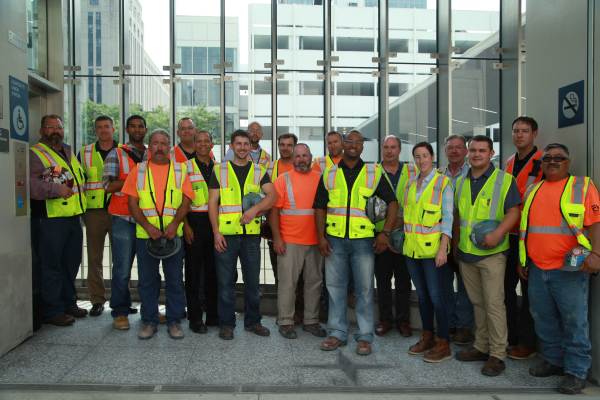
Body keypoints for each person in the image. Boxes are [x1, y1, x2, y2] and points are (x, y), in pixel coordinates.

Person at [519, 143, 600, 395]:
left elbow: (595, 222)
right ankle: (555, 360)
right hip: (537, 266)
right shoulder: (532, 190)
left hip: (571, 270)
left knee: (574, 321)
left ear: (568, 162)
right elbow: (527, 229)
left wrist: (596, 254)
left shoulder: (583, 187)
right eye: (548, 158)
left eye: (558, 158)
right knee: (543, 319)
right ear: (542, 164)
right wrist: (524, 260)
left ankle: (576, 371)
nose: (552, 162)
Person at [314, 130, 399, 356]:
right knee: (335, 288)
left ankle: (364, 336)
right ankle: (337, 333)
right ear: (343, 144)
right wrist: (321, 237)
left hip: (363, 241)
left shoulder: (374, 173)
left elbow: (392, 203)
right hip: (335, 240)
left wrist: (386, 233)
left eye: (358, 142)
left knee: (363, 290)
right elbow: (320, 206)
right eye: (349, 141)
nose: (353, 145)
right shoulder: (329, 174)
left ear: (363, 147)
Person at [452, 135, 521, 376]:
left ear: (491, 153)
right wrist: (454, 248)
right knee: (478, 302)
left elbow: (514, 211)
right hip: (467, 253)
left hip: (492, 253)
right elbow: (458, 217)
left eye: (482, 150)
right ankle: (481, 346)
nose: (476, 154)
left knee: (493, 303)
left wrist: (498, 234)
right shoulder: (460, 180)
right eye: (472, 150)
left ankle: (497, 354)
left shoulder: (504, 180)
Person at [122, 129, 194, 340]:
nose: (159, 147)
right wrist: (147, 227)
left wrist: (174, 224)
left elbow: (186, 201)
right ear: (149, 146)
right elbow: (132, 204)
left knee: (174, 280)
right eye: (155, 143)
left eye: (164, 143)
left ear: (170, 147)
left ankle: (174, 322)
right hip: (146, 236)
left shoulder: (180, 170)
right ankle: (150, 321)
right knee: (146, 281)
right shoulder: (139, 170)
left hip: (173, 236)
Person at [208, 130, 278, 340]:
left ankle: (253, 322)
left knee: (252, 282)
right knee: (226, 283)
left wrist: (254, 210)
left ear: (250, 146)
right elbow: (212, 203)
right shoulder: (219, 170)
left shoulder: (259, 170)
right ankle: (227, 324)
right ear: (231, 146)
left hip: (250, 236)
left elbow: (273, 195)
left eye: (246, 144)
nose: (242, 147)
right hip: (226, 236)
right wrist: (215, 232)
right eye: (238, 144)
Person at [391, 142, 453, 363]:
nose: (421, 160)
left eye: (425, 156)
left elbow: (448, 218)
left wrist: (443, 248)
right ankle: (427, 336)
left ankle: (443, 342)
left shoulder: (442, 183)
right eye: (417, 157)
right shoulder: (408, 185)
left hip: (433, 251)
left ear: (433, 157)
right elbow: (404, 214)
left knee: (437, 297)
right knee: (424, 296)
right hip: (412, 251)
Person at [30, 115, 88, 326]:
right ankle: (52, 311)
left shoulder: (68, 153)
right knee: (50, 266)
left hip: (73, 218)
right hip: (50, 220)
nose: (55, 131)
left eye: (59, 127)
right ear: (41, 131)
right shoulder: (36, 154)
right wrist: (56, 189)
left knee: (71, 264)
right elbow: (31, 185)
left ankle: (68, 303)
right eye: (50, 127)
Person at [270, 143, 326, 339]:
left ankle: (311, 320)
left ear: (311, 157)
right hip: (290, 241)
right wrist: (277, 238)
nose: (301, 159)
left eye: (305, 156)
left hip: (316, 241)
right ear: (292, 159)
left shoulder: (321, 179)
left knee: (314, 283)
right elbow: (274, 211)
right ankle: (285, 321)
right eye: (298, 156)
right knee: (287, 284)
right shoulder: (282, 180)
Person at [103, 115, 149, 330]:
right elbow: (109, 186)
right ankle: (119, 312)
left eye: (141, 126)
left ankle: (149, 311)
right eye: (133, 126)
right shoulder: (116, 153)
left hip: (148, 220)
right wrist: (136, 178)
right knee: (122, 269)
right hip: (123, 219)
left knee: (148, 269)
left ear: (146, 129)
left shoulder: (153, 153)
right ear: (126, 128)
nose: (137, 129)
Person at [504, 116, 544, 360]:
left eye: (525, 131)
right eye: (516, 130)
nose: (519, 135)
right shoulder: (509, 162)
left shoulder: (542, 162)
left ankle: (527, 342)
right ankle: (510, 337)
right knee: (506, 289)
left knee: (529, 291)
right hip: (508, 235)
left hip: (529, 237)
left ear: (534, 135)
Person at [374, 135, 416, 338]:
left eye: (393, 147)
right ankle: (384, 319)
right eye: (385, 147)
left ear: (400, 150)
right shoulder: (372, 172)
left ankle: (403, 321)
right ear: (381, 149)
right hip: (379, 236)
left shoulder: (412, 172)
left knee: (403, 280)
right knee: (381, 280)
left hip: (404, 235)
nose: (389, 151)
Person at [79, 116, 119, 316]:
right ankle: (96, 300)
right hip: (94, 211)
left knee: (121, 258)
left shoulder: (123, 151)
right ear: (95, 131)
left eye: (107, 127)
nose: (103, 130)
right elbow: (78, 181)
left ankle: (121, 299)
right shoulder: (85, 152)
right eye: (99, 127)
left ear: (113, 129)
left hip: (119, 210)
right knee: (94, 257)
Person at [312, 132, 356, 310]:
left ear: (343, 143)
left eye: (335, 141)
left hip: (352, 223)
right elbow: (317, 192)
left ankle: (349, 293)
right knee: (329, 268)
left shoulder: (353, 161)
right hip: (330, 223)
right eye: (329, 143)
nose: (332, 145)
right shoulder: (319, 163)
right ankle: (328, 302)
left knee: (351, 264)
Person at [437, 134, 474, 345]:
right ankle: (448, 322)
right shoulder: (438, 174)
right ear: (445, 151)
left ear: (466, 151)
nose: (454, 151)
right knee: (443, 285)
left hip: (465, 238)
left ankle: (463, 326)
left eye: (458, 147)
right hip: (441, 237)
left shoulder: (472, 174)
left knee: (465, 286)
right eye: (450, 147)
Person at [182, 130, 220, 333]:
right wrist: (185, 225)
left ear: (212, 144)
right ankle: (195, 318)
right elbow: (181, 200)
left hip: (216, 224)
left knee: (214, 273)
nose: (203, 144)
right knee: (193, 273)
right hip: (194, 224)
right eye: (199, 141)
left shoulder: (221, 168)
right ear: (194, 144)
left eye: (207, 141)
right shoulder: (185, 168)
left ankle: (214, 315)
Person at [265, 134, 302, 321]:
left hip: (301, 233)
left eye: (289, 145)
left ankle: (300, 312)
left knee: (302, 277)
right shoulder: (270, 167)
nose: (285, 148)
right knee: (281, 274)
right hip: (276, 230)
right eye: (282, 145)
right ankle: (285, 313)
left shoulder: (306, 167)